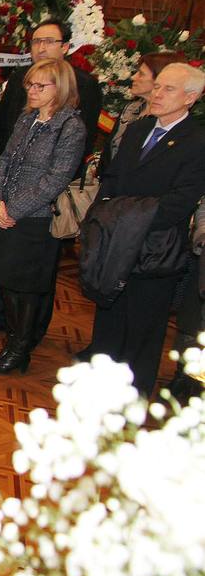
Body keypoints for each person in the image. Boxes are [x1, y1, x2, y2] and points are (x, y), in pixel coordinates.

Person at [86, 63, 205, 394]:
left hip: (154, 249)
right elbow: (112, 178)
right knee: (109, 322)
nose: (157, 94)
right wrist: (107, 215)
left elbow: (179, 203)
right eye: (157, 87)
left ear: (191, 98)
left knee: (143, 330)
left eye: (168, 89)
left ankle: (132, 401)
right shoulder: (138, 129)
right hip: (113, 244)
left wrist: (125, 219)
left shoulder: (196, 142)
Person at [0, 59, 86, 374]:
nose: (32, 91)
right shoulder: (27, 119)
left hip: (36, 220)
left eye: (41, 86)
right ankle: (12, 340)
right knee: (8, 283)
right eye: (30, 85)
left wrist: (13, 209)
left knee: (25, 289)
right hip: (7, 213)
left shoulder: (70, 126)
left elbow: (55, 180)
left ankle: (20, 349)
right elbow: (3, 160)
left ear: (61, 88)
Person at [0, 20, 103, 176]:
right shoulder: (19, 77)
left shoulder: (83, 84)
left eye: (49, 42)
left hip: (52, 178)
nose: (41, 49)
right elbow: (2, 128)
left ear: (65, 47)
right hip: (9, 172)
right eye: (36, 42)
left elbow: (84, 141)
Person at [105, 51, 183, 162]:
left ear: (160, 80)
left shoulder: (164, 121)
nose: (133, 77)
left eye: (141, 74)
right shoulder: (131, 108)